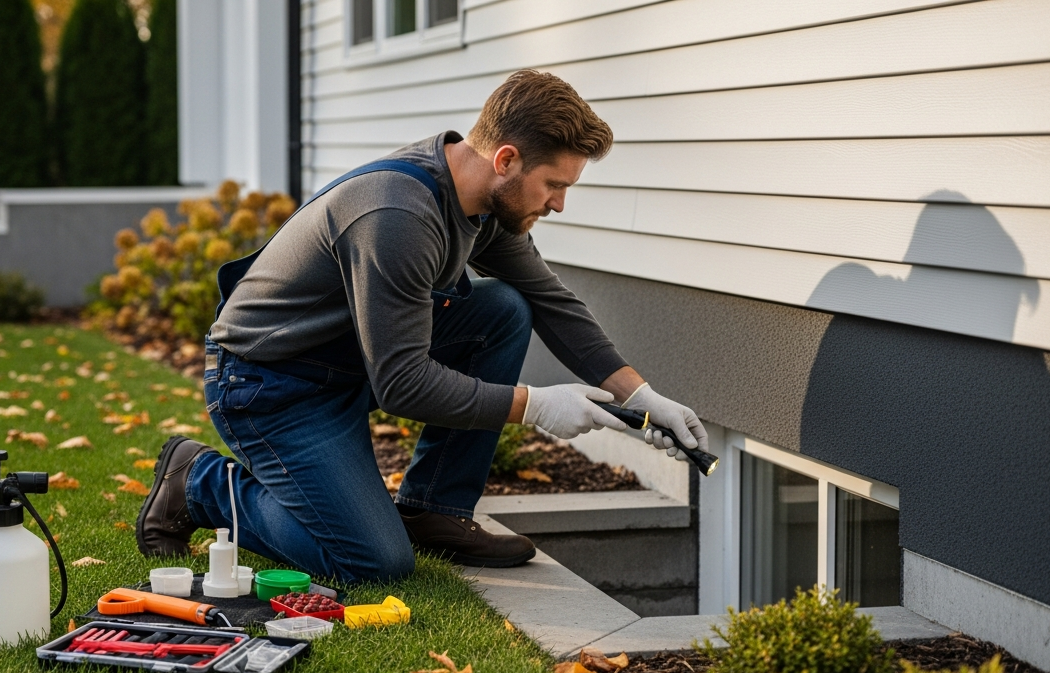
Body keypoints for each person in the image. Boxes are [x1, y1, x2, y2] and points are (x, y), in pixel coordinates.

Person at [135, 70, 707, 582]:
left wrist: (645, 397)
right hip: (271, 385)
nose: (559, 204)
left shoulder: (483, 204)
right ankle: (200, 483)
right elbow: (403, 383)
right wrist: (536, 405)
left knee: (504, 308)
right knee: (371, 561)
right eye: (554, 185)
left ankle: (434, 509)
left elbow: (550, 300)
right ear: (506, 160)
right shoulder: (400, 214)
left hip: (341, 364)